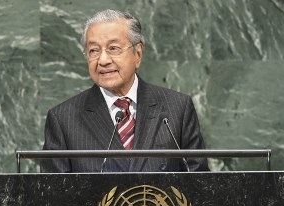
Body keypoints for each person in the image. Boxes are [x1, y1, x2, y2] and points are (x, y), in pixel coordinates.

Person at [41, 9, 209, 173]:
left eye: (113, 48)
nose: (103, 60)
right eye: (94, 50)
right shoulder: (63, 119)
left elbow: (201, 187)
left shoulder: (177, 109)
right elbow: (52, 196)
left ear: (138, 53)